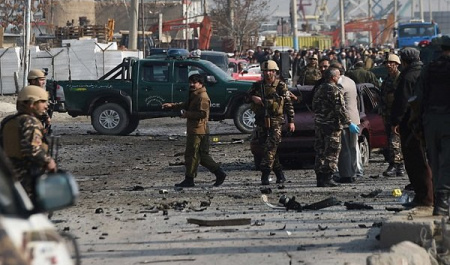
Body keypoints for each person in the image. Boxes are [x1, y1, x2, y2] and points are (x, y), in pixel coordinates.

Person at [161, 74, 226, 188]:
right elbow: (186, 105)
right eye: (190, 82)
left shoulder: (202, 97)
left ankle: (190, 179)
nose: (191, 84)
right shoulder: (195, 95)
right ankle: (218, 173)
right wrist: (172, 105)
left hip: (198, 130)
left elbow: (203, 114)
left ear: (200, 84)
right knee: (201, 156)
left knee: (192, 155)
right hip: (196, 129)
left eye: (194, 82)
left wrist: (186, 114)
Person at [391, 47, 433, 209]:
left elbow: (402, 102)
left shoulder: (408, 76)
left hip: (411, 124)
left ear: (404, 61)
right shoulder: (427, 72)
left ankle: (424, 197)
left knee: (415, 160)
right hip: (428, 122)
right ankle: (430, 195)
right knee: (428, 159)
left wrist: (395, 122)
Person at [0, 85, 57, 200]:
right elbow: (31, 149)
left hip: (8, 176)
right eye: (42, 102)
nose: (46, 106)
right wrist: (48, 161)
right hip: (26, 177)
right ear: (31, 104)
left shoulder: (8, 121)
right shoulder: (30, 122)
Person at [415, 36, 450, 215]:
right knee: (447, 162)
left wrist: (419, 123)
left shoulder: (429, 68)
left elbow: (419, 98)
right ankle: (443, 200)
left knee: (434, 161)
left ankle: (439, 198)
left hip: (430, 120)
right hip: (447, 121)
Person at [247, 60, 295, 185]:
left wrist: (291, 121)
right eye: (265, 71)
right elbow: (245, 97)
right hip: (261, 121)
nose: (268, 74)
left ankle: (265, 174)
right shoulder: (258, 86)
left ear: (275, 72)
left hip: (276, 121)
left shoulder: (280, 86)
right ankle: (279, 173)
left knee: (270, 147)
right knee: (267, 149)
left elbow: (288, 103)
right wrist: (253, 98)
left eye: (270, 71)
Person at [312, 68, 359, 187]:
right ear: (333, 77)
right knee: (332, 152)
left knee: (320, 151)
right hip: (332, 125)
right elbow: (340, 110)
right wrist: (349, 123)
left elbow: (314, 106)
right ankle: (328, 177)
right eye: (338, 76)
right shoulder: (335, 90)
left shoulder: (319, 89)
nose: (339, 78)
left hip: (320, 124)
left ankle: (320, 178)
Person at [330, 63, 361, 184]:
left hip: (345, 120)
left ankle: (346, 175)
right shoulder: (351, 81)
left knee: (345, 149)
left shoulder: (340, 85)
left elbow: (338, 104)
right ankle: (353, 172)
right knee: (353, 147)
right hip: (354, 119)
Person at [379, 54, 405, 177]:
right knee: (391, 141)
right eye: (386, 63)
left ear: (397, 64)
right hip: (387, 114)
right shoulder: (386, 79)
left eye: (391, 63)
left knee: (395, 141)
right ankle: (399, 166)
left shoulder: (400, 79)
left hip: (398, 115)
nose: (388, 65)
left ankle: (395, 165)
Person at [27, 69, 52, 135]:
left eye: (44, 80)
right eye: (41, 80)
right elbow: (37, 108)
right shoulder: (32, 92)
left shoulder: (31, 91)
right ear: (33, 81)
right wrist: (46, 117)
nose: (43, 82)